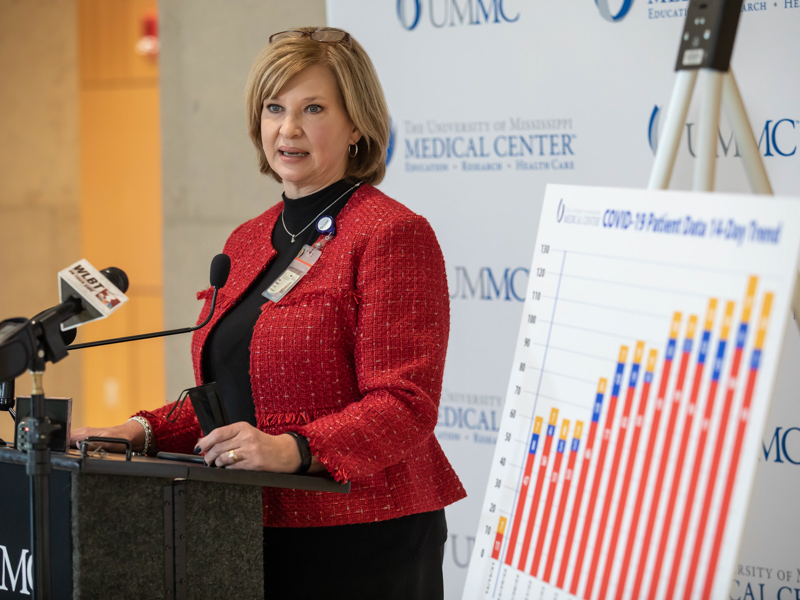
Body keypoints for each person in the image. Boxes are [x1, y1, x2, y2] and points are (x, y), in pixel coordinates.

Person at [71, 26, 465, 599]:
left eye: (313, 109)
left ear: (357, 124)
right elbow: (234, 395)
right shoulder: (248, 241)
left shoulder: (391, 234)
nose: (289, 128)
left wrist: (292, 448)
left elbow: (405, 404)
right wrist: (140, 432)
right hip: (245, 530)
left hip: (363, 537)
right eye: (275, 107)